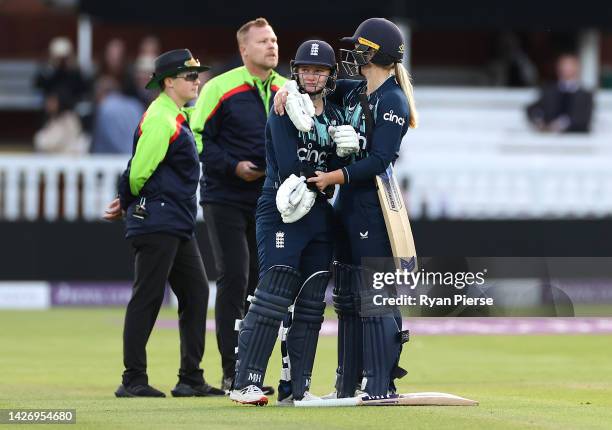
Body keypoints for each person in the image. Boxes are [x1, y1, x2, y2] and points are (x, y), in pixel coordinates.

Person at [275, 18, 418, 398]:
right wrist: (286, 91)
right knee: (348, 297)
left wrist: (333, 177)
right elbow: (314, 84)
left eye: (359, 47)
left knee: (374, 295)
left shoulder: (392, 99)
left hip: (373, 205)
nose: (353, 53)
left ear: (374, 52)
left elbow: (380, 160)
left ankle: (380, 382)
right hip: (350, 204)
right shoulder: (357, 91)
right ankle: (348, 383)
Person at [229, 40, 359, 406]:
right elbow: (290, 168)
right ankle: (245, 382)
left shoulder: (335, 114)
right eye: (305, 70)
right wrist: (332, 169)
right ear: (295, 71)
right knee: (273, 294)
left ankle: (296, 389)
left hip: (318, 211)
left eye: (319, 70)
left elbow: (334, 164)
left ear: (330, 75)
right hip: (284, 207)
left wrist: (346, 152)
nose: (312, 76)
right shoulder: (284, 107)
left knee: (312, 301)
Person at [103, 49, 224, 398]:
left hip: (172, 221)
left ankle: (190, 378)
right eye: (189, 76)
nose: (197, 80)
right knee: (148, 297)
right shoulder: (162, 118)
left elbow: (138, 171)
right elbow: (139, 171)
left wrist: (126, 201)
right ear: (168, 82)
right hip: (159, 219)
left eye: (197, 74)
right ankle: (133, 379)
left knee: (196, 292)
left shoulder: (171, 115)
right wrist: (128, 201)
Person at [190, 17, 286, 395]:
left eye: (274, 40)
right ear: (244, 49)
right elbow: (195, 138)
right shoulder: (219, 88)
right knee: (234, 275)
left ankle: (254, 370)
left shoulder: (286, 89)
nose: (272, 46)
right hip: (225, 196)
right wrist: (233, 166)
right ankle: (233, 371)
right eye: (263, 41)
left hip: (270, 199)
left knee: (263, 283)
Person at [526, 53, 594, 133]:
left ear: (577, 68)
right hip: (549, 137)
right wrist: (539, 121)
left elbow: (583, 119)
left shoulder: (585, 95)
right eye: (564, 65)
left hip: (575, 139)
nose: (566, 68)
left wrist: (560, 125)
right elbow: (533, 109)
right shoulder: (549, 91)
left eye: (570, 65)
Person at [91, 77, 144, 154]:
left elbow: (106, 139)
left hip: (111, 160)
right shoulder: (135, 105)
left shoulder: (105, 107)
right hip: (137, 155)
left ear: (100, 92)